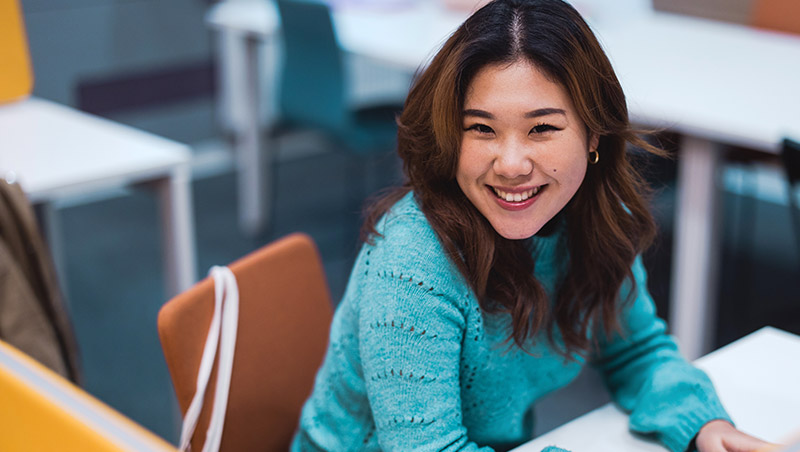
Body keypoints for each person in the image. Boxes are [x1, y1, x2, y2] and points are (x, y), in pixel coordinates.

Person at [291, 1, 772, 451]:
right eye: (481, 128)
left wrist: (705, 425)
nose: (512, 164)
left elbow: (636, 351)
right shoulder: (413, 262)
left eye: (542, 128)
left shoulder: (596, 220)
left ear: (593, 134)